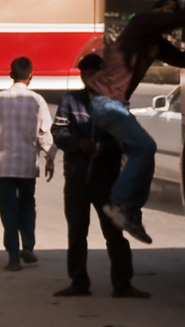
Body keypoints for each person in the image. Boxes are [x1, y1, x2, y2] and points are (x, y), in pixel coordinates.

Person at [90, 0, 185, 243]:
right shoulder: (141, 22)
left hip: (114, 105)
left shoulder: (155, 43)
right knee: (145, 147)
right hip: (106, 102)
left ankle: (131, 212)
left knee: (146, 157)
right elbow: (178, 19)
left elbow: (182, 58)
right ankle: (119, 202)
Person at [52, 55, 147, 299]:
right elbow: (59, 133)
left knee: (114, 233)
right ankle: (79, 282)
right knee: (76, 234)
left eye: (93, 74)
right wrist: (78, 144)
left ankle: (123, 283)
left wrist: (104, 148)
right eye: (85, 75)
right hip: (77, 180)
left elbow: (128, 139)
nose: (88, 79)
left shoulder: (116, 103)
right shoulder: (70, 101)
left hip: (108, 181)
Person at [0, 56, 54, 271]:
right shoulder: (37, 100)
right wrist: (50, 157)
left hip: (3, 166)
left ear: (10, 74)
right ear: (31, 76)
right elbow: (45, 133)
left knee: (8, 209)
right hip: (27, 166)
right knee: (27, 205)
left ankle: (14, 257)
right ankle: (28, 245)